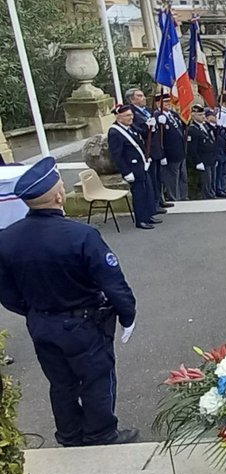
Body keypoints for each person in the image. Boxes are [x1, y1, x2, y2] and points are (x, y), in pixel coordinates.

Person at [0, 157, 139, 446]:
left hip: (41, 323)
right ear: (59, 196)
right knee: (96, 379)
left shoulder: (7, 238)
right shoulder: (82, 236)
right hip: (84, 324)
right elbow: (112, 281)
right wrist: (128, 315)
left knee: (61, 383)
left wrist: (33, 311)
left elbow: (7, 291)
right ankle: (101, 434)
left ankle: (70, 435)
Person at [108, 105, 158, 230]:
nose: (131, 118)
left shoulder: (131, 127)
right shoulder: (115, 132)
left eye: (131, 115)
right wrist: (126, 172)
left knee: (147, 192)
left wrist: (151, 128)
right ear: (118, 117)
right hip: (132, 167)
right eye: (127, 116)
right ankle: (141, 220)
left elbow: (144, 135)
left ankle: (148, 215)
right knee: (139, 194)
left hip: (142, 165)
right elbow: (117, 155)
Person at [188, 106, 220, 199]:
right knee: (206, 180)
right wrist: (197, 161)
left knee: (212, 180)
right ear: (193, 115)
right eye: (200, 115)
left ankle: (212, 193)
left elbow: (213, 137)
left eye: (203, 114)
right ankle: (207, 197)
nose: (202, 116)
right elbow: (192, 148)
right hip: (203, 158)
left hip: (211, 157)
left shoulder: (205, 125)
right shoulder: (192, 129)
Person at [160, 99, 188, 202]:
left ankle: (184, 196)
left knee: (183, 177)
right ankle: (174, 198)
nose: (168, 103)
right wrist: (162, 155)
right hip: (170, 152)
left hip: (180, 150)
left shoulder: (173, 114)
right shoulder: (158, 116)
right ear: (159, 103)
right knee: (172, 178)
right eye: (165, 101)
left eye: (169, 101)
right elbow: (160, 138)